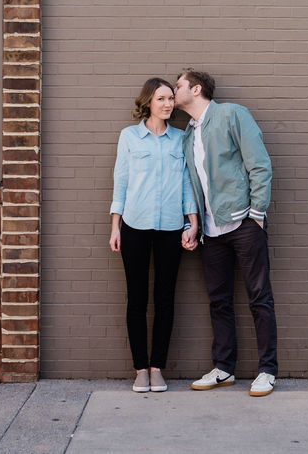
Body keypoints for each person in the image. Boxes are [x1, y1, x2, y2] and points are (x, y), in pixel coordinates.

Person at [173, 69, 279, 397]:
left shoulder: (233, 115)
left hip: (244, 223)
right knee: (218, 301)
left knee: (259, 297)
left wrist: (257, 215)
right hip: (211, 231)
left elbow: (259, 164)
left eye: (178, 86)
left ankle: (267, 371)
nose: (173, 91)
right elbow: (193, 184)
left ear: (197, 88)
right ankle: (224, 368)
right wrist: (194, 225)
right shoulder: (188, 134)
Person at [109, 77, 199, 393]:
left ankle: (157, 367)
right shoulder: (130, 137)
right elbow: (120, 182)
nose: (167, 104)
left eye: (170, 98)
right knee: (137, 299)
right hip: (134, 226)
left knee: (165, 299)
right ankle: (140, 369)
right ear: (148, 101)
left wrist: (192, 221)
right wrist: (115, 226)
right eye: (161, 98)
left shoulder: (180, 138)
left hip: (171, 228)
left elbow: (188, 182)